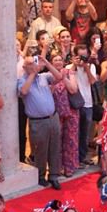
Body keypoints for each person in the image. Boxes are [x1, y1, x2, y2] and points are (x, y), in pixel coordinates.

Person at [18, 53, 63, 189]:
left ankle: (54, 175)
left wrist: (47, 63)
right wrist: (32, 73)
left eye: (35, 63)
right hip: (38, 122)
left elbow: (59, 77)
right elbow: (24, 91)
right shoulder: (21, 80)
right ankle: (41, 175)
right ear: (25, 67)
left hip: (53, 117)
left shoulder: (44, 77)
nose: (35, 66)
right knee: (40, 150)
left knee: (55, 147)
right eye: (31, 64)